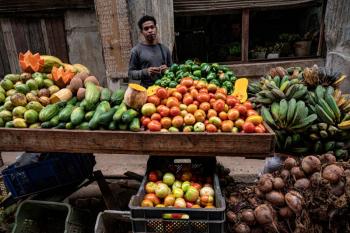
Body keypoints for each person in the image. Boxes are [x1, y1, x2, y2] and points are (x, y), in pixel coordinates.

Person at [128, 15, 172, 88]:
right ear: (142, 32)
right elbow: (131, 74)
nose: (150, 30)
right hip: (146, 91)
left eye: (152, 27)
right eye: (146, 29)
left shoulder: (165, 49)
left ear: (156, 29)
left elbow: (172, 69)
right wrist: (146, 72)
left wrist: (167, 70)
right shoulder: (136, 50)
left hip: (164, 90)